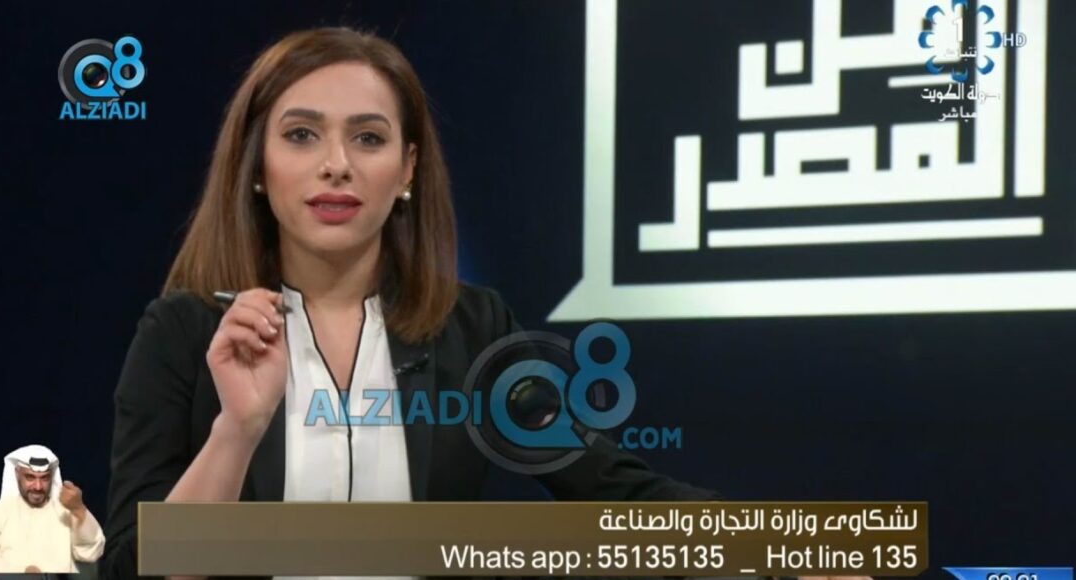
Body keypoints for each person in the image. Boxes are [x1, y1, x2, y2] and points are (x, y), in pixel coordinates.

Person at [103, 27, 861, 580]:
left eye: (368, 139)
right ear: (257, 166)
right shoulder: (184, 331)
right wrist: (236, 431)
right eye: (302, 135)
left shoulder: (471, 330)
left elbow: (608, 485)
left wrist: (771, 548)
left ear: (407, 171)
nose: (336, 165)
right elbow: (136, 565)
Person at [0, 445, 105, 573]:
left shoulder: (66, 512)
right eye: (30, 477)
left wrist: (79, 509)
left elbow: (91, 552)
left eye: (44, 478)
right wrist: (22, 574)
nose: (38, 486)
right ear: (17, 474)